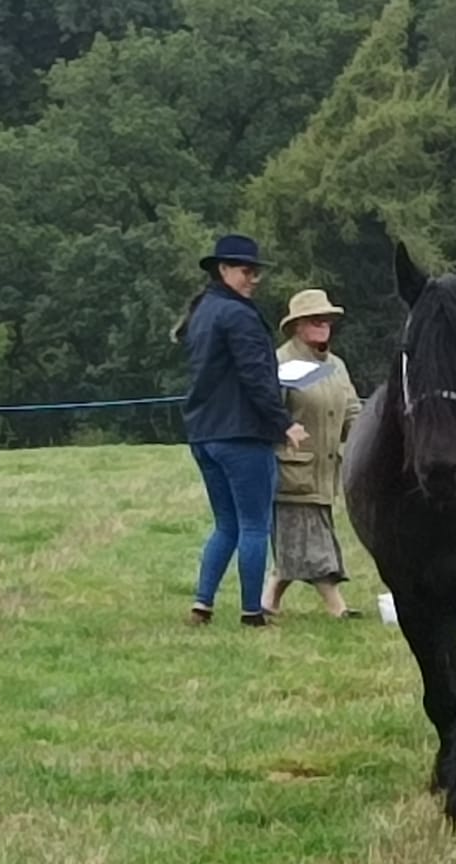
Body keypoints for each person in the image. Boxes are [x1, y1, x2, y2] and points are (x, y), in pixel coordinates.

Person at [179, 233, 308, 628]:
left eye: (255, 272)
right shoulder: (239, 315)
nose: (253, 279)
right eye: (245, 271)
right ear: (223, 269)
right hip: (240, 434)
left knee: (226, 524)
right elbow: (255, 377)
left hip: (203, 432)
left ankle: (203, 604)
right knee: (254, 524)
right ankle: (253, 612)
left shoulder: (203, 311)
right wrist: (284, 422)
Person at [261, 288, 362, 619]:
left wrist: (363, 438)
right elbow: (266, 413)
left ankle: (268, 601)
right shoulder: (279, 364)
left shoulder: (336, 366)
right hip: (292, 472)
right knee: (314, 547)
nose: (323, 324)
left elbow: (352, 411)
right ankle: (338, 608)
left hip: (325, 473)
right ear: (297, 326)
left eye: (327, 319)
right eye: (314, 319)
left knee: (294, 548)